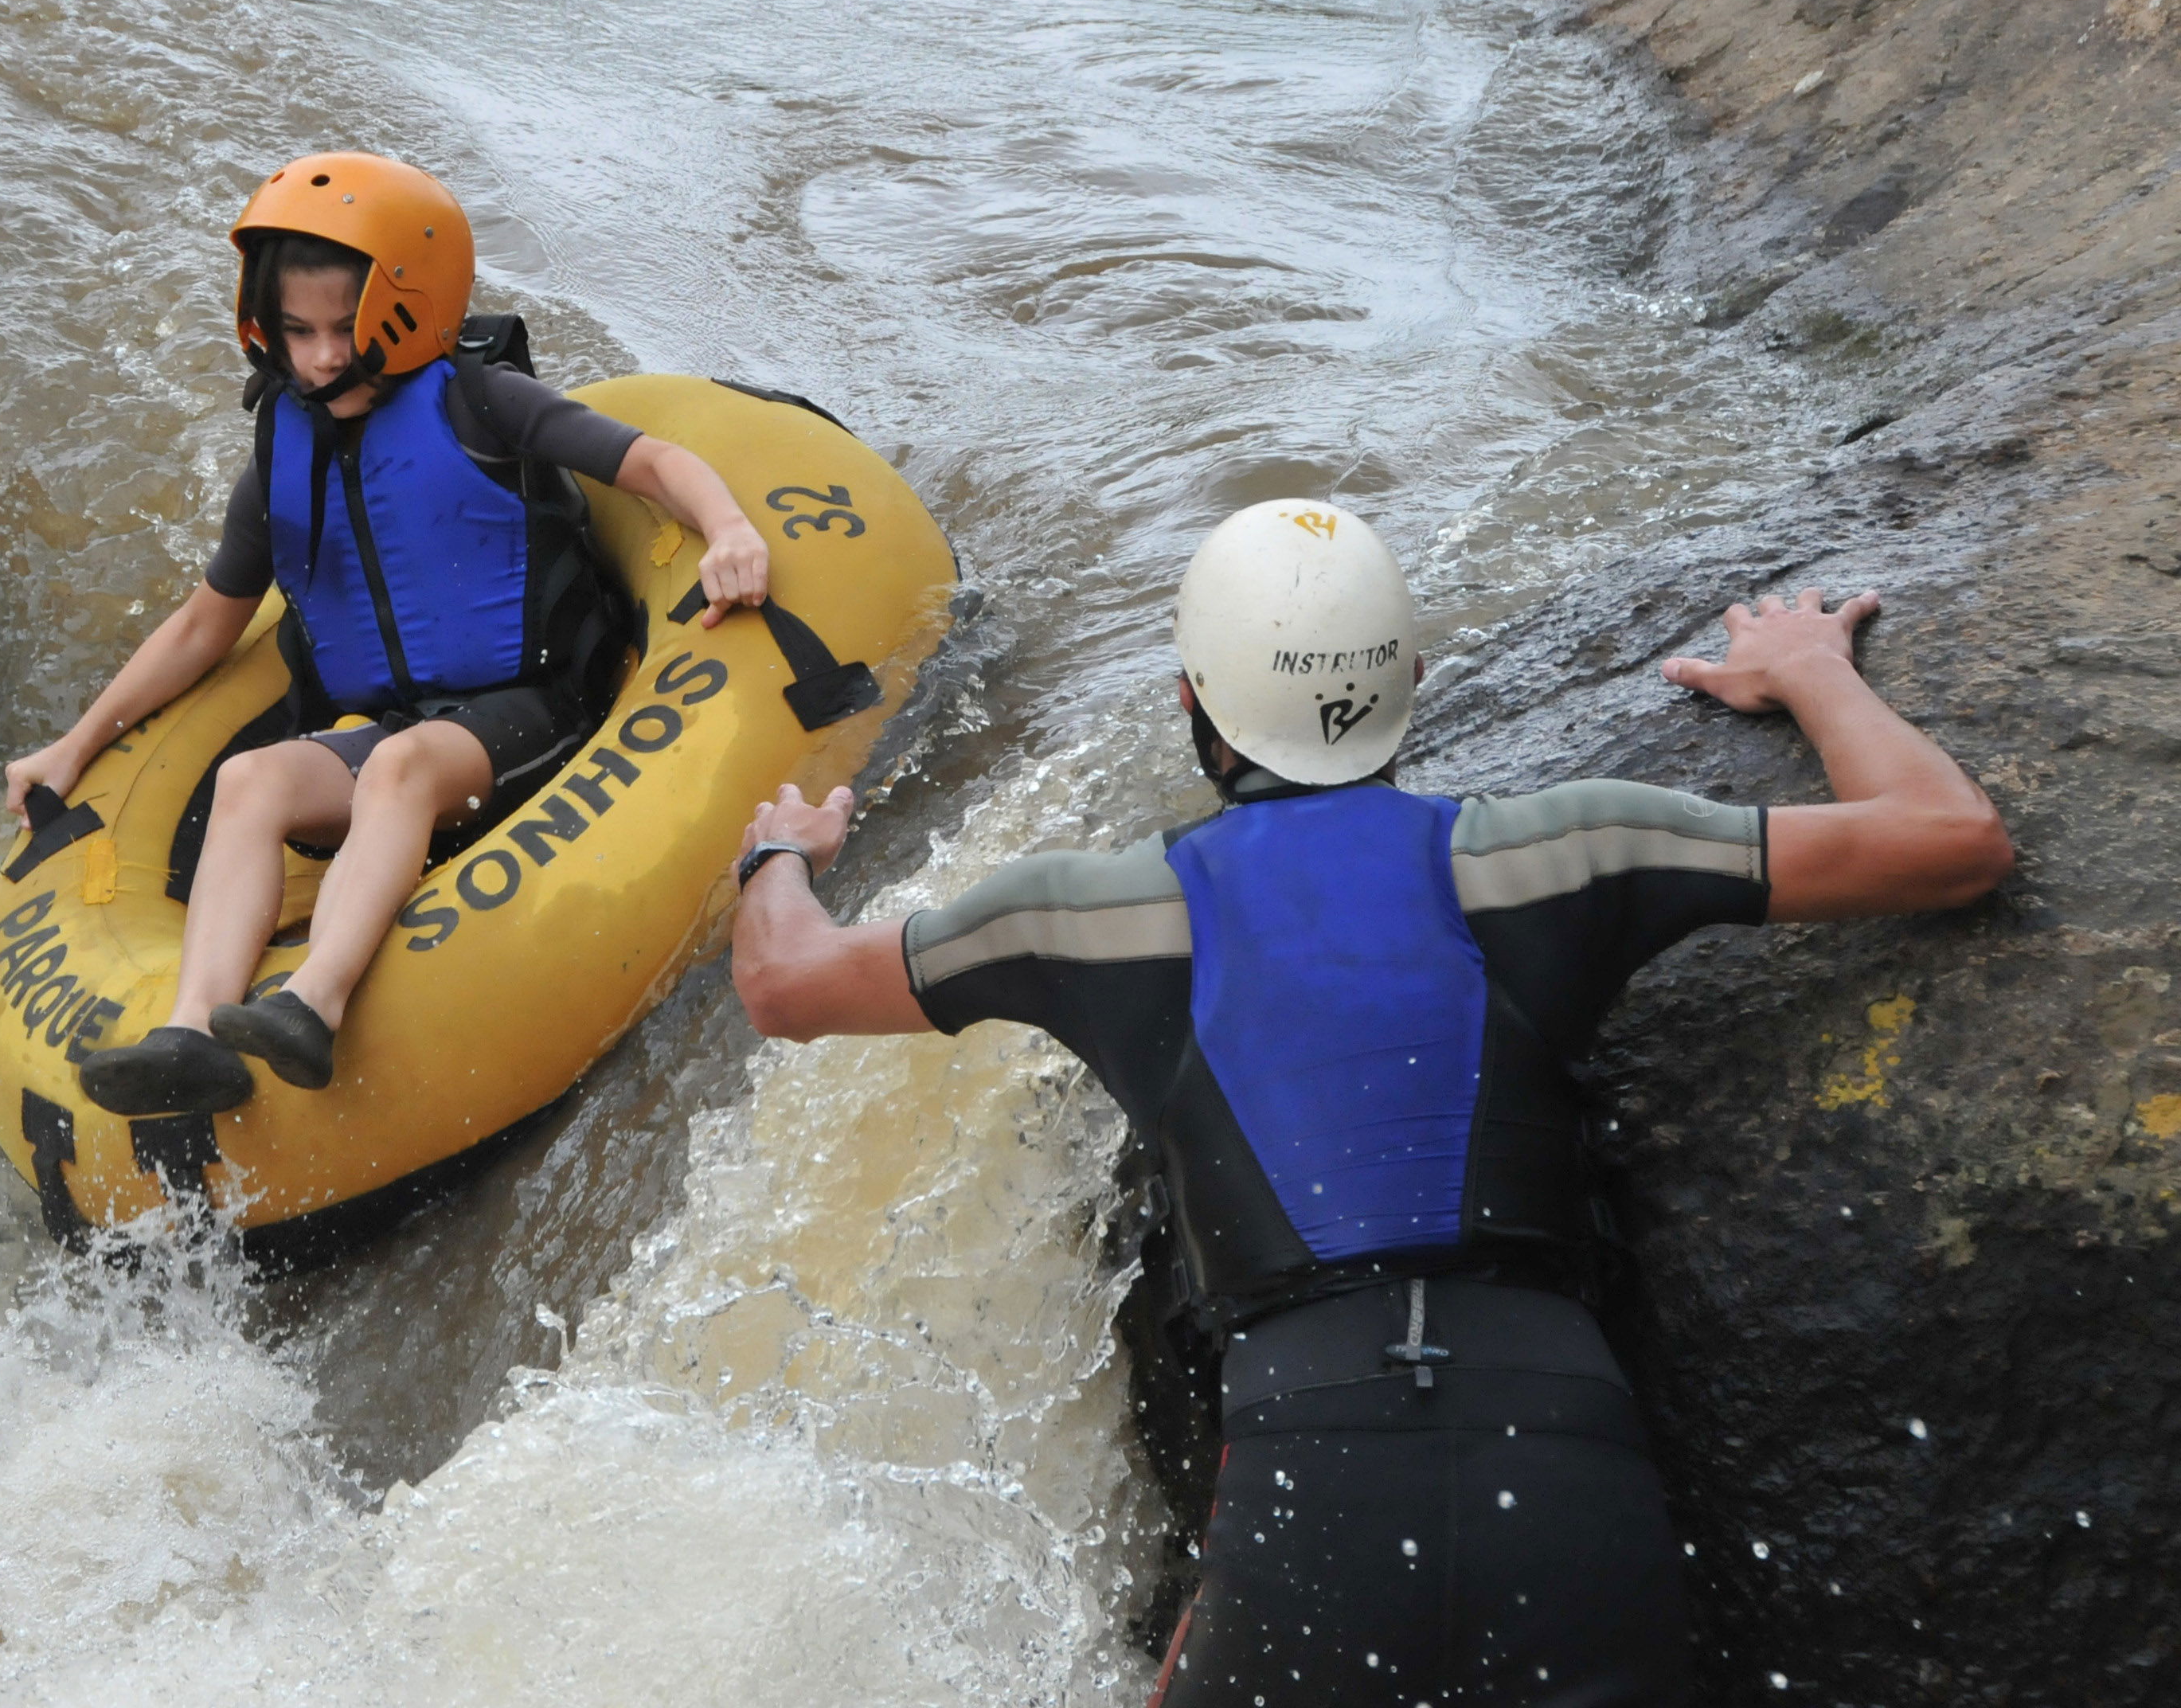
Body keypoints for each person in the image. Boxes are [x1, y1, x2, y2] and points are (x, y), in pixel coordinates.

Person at [725, 499, 2013, 1708]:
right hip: (1565, 1467)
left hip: (1303, 1476)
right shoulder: (1566, 847)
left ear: (1191, 702)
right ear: (1404, 687)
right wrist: (1807, 671)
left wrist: (776, 851)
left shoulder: (1081, 910)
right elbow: (1950, 838)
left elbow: (783, 981)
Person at [5, 152, 776, 1118]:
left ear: (409, 310)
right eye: (297, 332)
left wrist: (733, 528)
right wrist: (75, 746)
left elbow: (653, 461)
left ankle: (312, 1006)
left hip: (531, 710)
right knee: (252, 778)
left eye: (344, 328)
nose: (323, 358)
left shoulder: (480, 402)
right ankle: (194, 1031)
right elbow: (207, 622)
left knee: (401, 766)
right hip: (398, 723)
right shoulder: (284, 447)